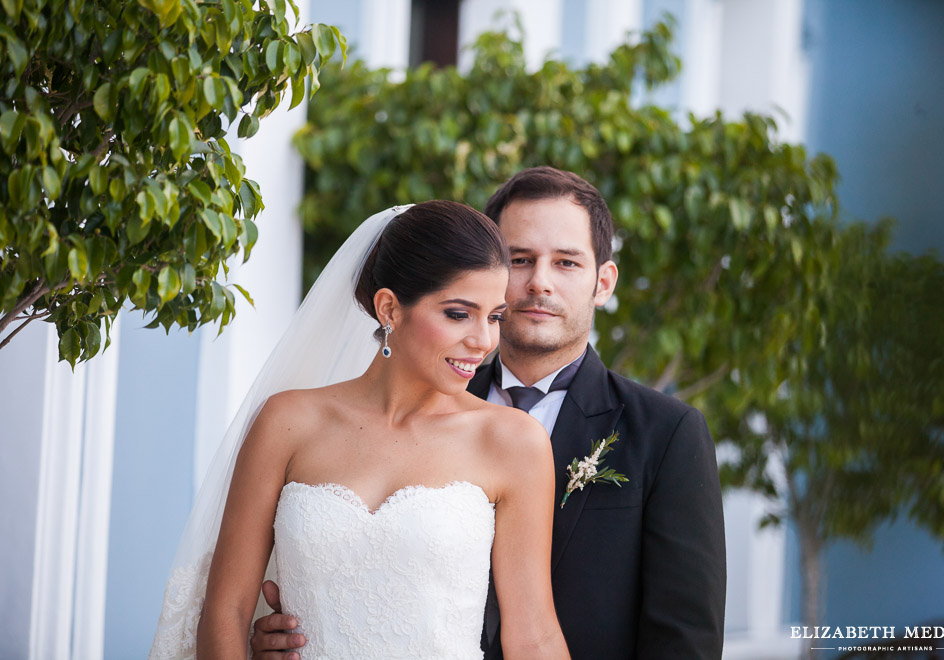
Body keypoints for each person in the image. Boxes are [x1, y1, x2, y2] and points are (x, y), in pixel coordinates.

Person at [251, 168, 727, 659]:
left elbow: (684, 641)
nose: (538, 283)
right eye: (520, 259)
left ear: (603, 282)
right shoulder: (345, 413)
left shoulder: (668, 435)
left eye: (566, 263)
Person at [149, 201, 570, 659]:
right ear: (389, 307)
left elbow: (533, 633)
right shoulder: (287, 423)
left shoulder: (512, 442)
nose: (484, 341)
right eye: (457, 314)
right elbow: (226, 611)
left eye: (493, 316)